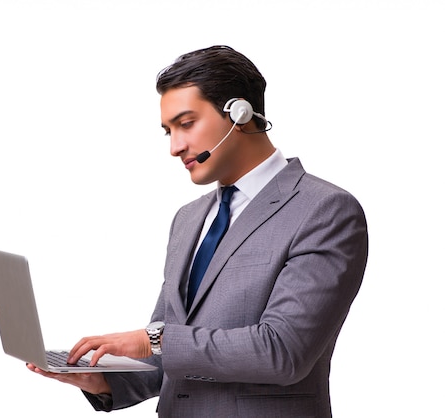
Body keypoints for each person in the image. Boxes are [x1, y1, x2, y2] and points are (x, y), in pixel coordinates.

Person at [27, 45, 368, 417]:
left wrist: (151, 340)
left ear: (239, 113)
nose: (175, 147)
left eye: (186, 124)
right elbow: (171, 356)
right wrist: (103, 381)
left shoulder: (324, 210)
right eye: (168, 131)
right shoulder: (188, 219)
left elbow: (282, 351)